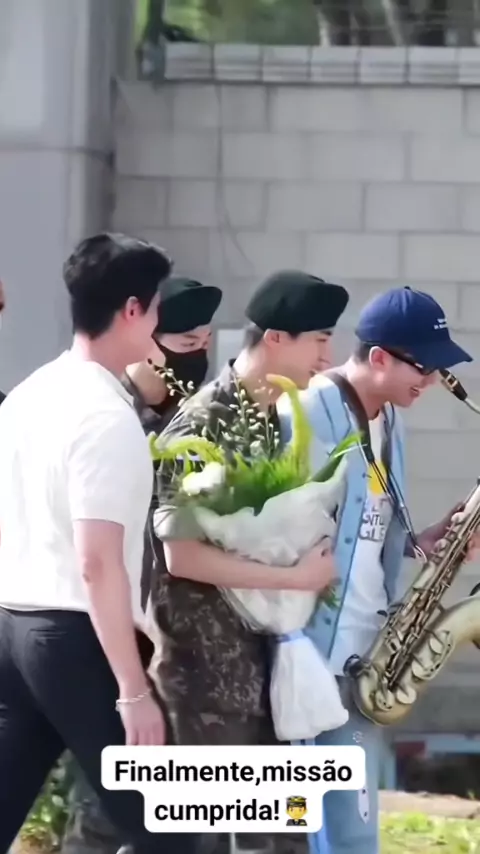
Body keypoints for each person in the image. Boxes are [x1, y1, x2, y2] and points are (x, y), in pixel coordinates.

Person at [0, 232, 202, 854]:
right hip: (73, 639)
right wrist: (133, 691)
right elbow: (97, 564)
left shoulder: (29, 394)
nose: (160, 323)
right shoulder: (105, 417)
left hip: (11, 630)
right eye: (157, 307)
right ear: (133, 310)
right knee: (169, 833)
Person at [152, 269, 350, 854]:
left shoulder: (270, 419)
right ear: (276, 339)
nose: (327, 358)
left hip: (265, 673)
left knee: (285, 835)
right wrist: (294, 577)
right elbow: (181, 554)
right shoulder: (203, 423)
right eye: (319, 340)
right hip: (208, 681)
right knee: (206, 843)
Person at [277, 285, 480, 854]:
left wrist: (422, 540)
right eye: (425, 366)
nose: (433, 380)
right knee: (306, 831)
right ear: (379, 358)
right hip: (307, 662)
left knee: (353, 834)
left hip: (364, 658)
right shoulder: (307, 412)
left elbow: (366, 528)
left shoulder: (390, 419)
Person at [61, 274, 223, 854]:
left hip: (182, 649)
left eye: (205, 342)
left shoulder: (197, 423)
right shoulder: (107, 416)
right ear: (145, 338)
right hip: (109, 643)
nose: (196, 358)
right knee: (105, 811)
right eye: (184, 344)